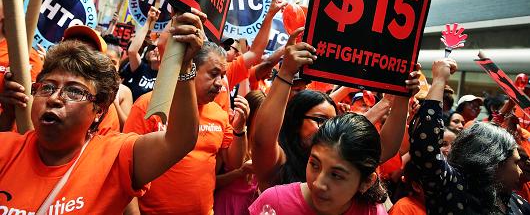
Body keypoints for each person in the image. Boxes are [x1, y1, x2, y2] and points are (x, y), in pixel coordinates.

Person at [0, 9, 203, 213]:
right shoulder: (5, 148)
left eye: (74, 91)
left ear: (99, 110)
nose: (54, 98)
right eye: (47, 87)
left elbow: (179, 140)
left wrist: (183, 66)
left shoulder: (114, 158)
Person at [251, 28, 420, 191]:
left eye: (332, 122)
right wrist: (286, 72)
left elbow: (385, 147)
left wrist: (401, 98)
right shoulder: (277, 163)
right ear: (295, 122)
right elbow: (262, 139)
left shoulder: (344, 158)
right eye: (321, 120)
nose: (328, 128)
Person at [123, 40, 248, 214]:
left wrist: (240, 129)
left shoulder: (220, 114)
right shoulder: (151, 105)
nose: (220, 83)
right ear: (191, 69)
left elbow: (235, 162)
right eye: (213, 74)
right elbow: (124, 167)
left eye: (222, 75)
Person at [409, 58, 530, 214]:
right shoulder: (456, 189)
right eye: (516, 162)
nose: (521, 170)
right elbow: (426, 148)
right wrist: (439, 79)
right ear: (495, 161)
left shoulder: (518, 203)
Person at [249, 113, 387, 214]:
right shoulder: (274, 202)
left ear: (366, 182)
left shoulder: (373, 212)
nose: (318, 184)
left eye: (336, 175)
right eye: (314, 165)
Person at [122, 7, 160, 100]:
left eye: (160, 48)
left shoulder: (166, 76)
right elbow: (132, 51)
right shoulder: (141, 68)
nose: (155, 50)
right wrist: (148, 21)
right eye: (154, 48)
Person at [105, 42, 133, 130]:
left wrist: (114, 102)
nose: (108, 65)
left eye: (113, 62)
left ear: (119, 65)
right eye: (104, 60)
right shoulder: (88, 84)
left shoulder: (124, 91)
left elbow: (126, 126)